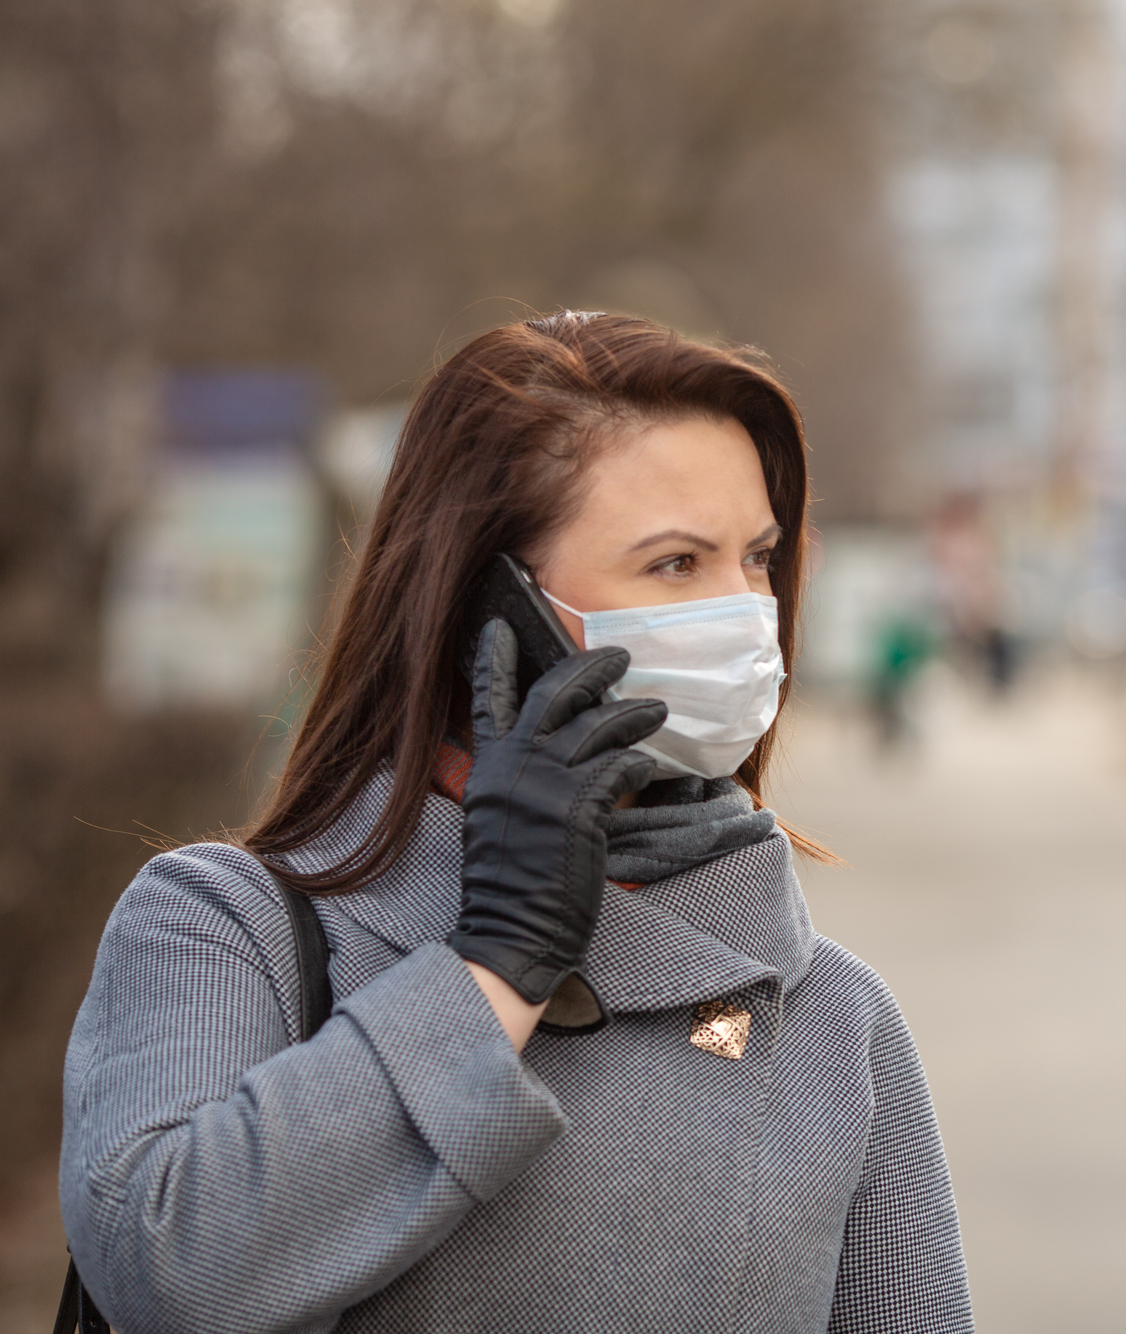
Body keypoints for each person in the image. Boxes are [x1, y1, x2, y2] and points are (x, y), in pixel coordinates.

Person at [59, 313, 974, 1333]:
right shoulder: (224, 928)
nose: (744, 613)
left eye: (756, 558)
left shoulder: (835, 1019)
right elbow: (165, 1270)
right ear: (491, 608)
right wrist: (493, 965)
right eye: (675, 563)